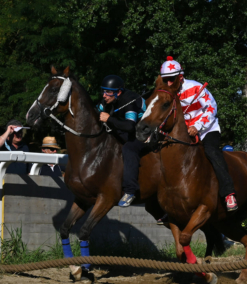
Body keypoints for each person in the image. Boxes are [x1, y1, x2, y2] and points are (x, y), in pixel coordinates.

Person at [160, 56, 238, 211]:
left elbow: (212, 107)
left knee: (211, 151)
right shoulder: (167, 93)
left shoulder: (196, 87)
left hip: (207, 130)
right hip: (183, 134)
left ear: (180, 77)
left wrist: (197, 126)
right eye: (165, 80)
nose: (168, 83)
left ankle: (229, 193)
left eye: (171, 79)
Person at [96, 75, 147, 207]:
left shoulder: (129, 100)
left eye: (108, 92)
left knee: (128, 148)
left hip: (143, 132)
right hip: (127, 129)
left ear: (118, 92)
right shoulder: (106, 100)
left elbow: (130, 126)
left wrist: (109, 119)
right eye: (103, 91)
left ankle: (130, 191)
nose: (104, 95)